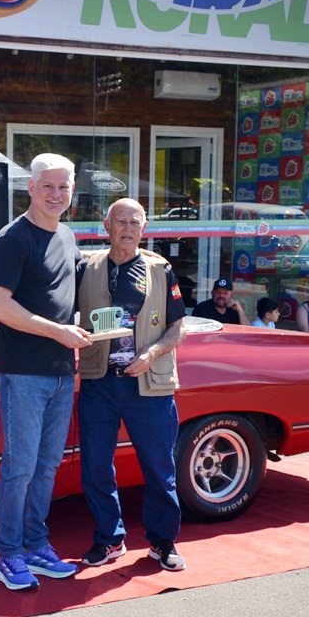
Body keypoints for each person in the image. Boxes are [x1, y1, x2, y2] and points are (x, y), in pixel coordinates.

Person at [0, 153, 92, 590]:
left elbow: (75, 292)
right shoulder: (12, 238)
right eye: (48, 186)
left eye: (63, 187)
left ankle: (34, 544)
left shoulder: (66, 235)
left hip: (61, 372)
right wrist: (58, 332)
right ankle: (9, 554)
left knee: (47, 466)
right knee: (21, 467)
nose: (56, 194)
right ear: (30, 188)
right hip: (23, 373)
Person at [74, 198, 188, 571]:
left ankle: (162, 542)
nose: (126, 228)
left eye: (134, 222)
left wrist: (151, 354)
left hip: (148, 385)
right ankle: (110, 539)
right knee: (95, 466)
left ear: (144, 228)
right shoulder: (85, 268)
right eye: (119, 221)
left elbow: (177, 328)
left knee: (158, 467)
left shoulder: (160, 269)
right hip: (100, 382)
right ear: (106, 226)